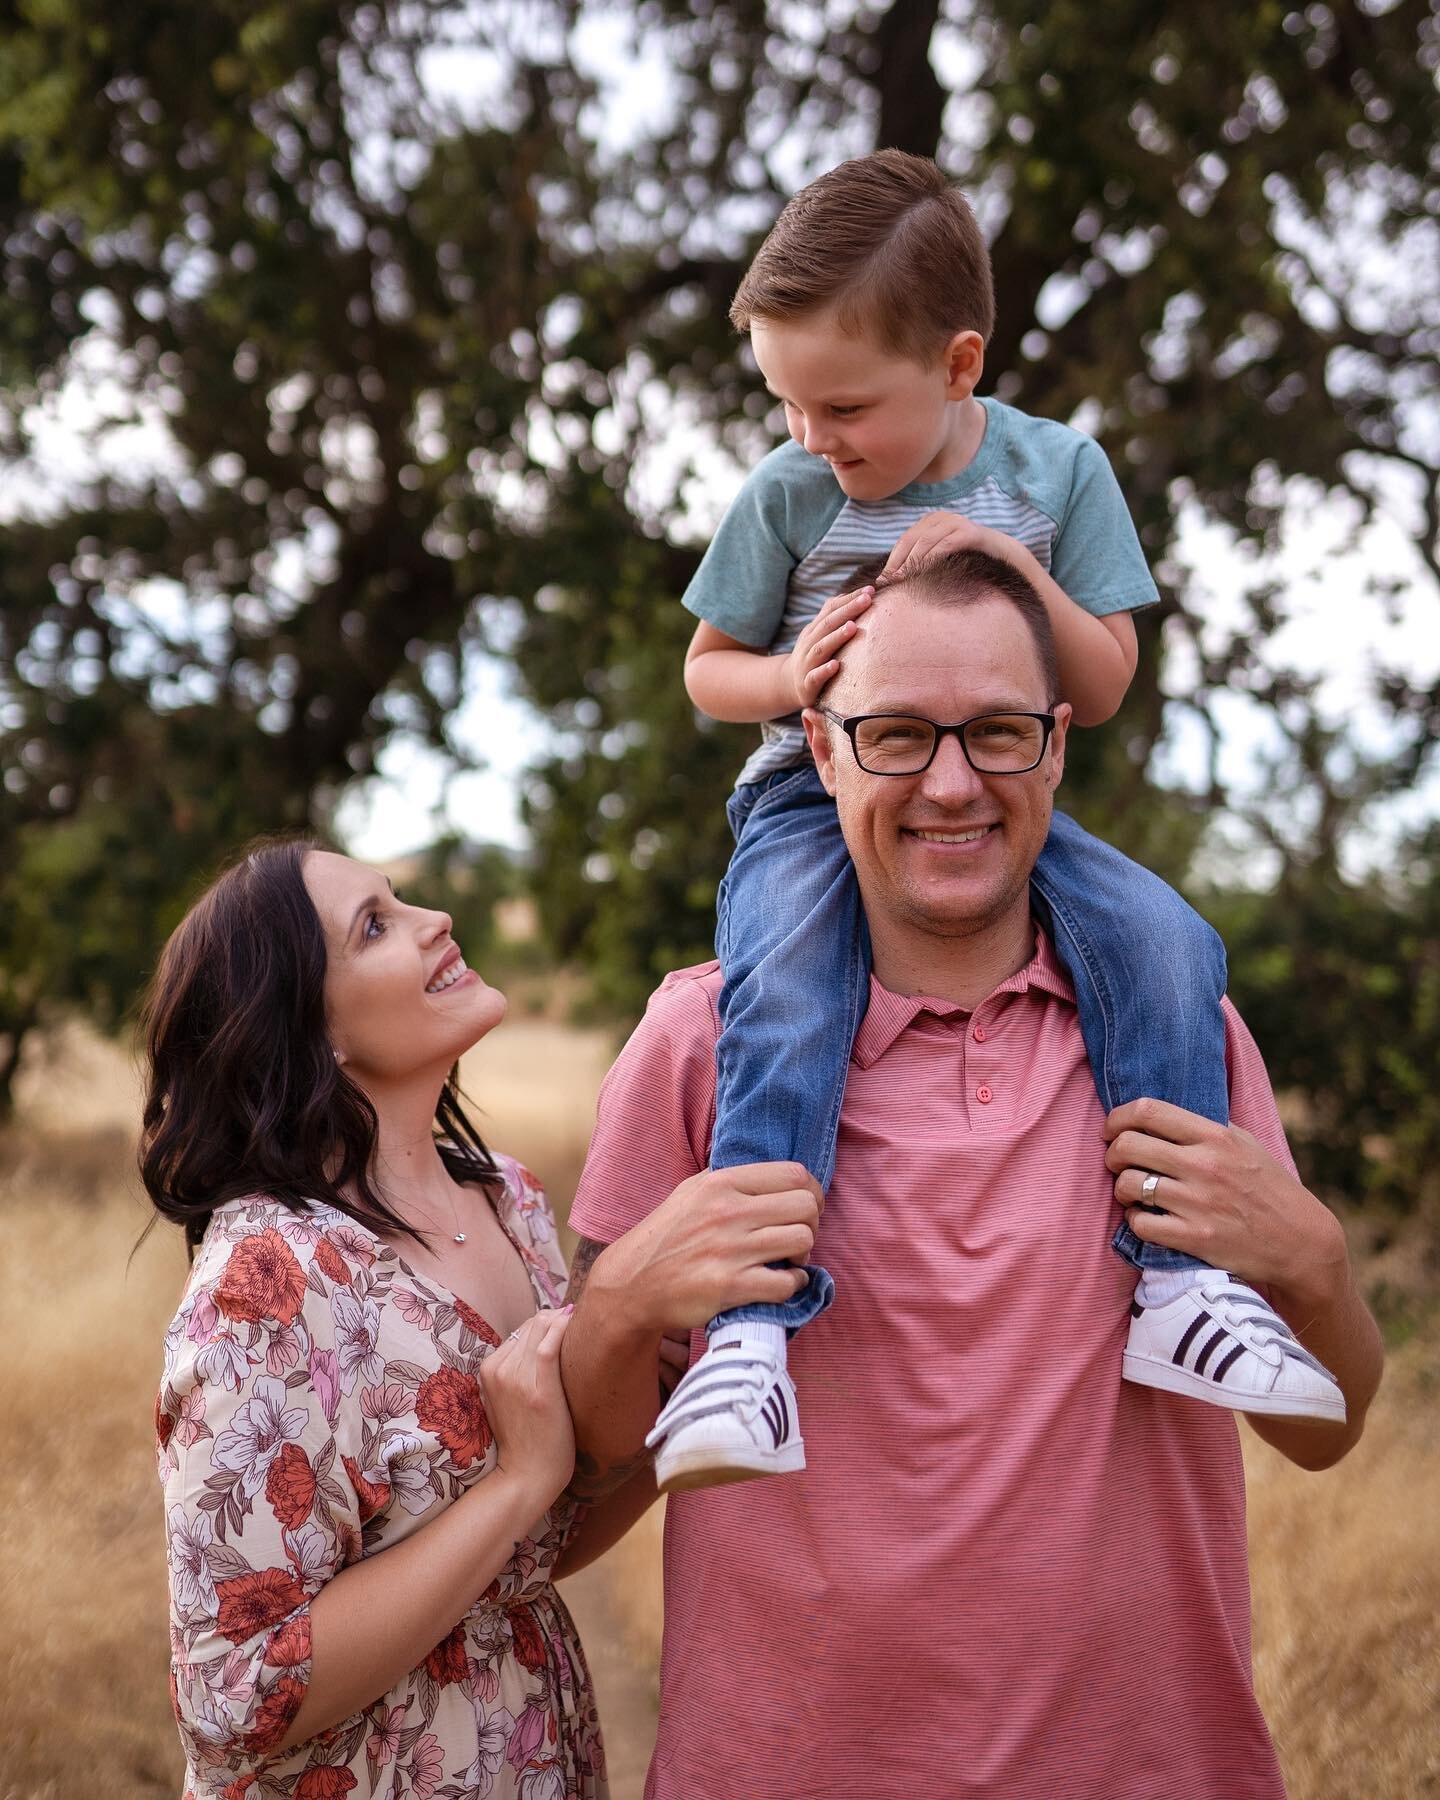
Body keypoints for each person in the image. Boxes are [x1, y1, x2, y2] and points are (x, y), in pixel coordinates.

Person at [558, 553, 1384, 1799]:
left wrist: (1316, 1268)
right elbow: (597, 1467)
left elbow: (1321, 1439)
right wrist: (619, 1312)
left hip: (1152, 1768)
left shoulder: (1182, 1044)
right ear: (823, 752)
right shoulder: (700, 1047)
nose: (952, 784)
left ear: (1055, 746)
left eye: (996, 733)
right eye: (895, 736)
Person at [650, 147, 1343, 1491]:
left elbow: (1103, 681)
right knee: (786, 988)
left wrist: (1007, 566)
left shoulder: (1057, 471)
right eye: (787, 404)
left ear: (960, 367)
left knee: (1167, 943)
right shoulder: (790, 496)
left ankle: (1180, 1291)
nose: (811, 438)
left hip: (997, 773)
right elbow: (704, 669)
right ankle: (750, 1335)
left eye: (842, 405)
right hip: (817, 794)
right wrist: (797, 677)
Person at [145, 839, 817, 1800]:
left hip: (536, 1752)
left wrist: (670, 1382)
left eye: (401, 899)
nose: (436, 922)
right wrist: (516, 1480)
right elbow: (237, 1695)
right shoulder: (271, 1280)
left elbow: (543, 1548)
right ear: (309, 1030)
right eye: (375, 926)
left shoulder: (508, 1201)